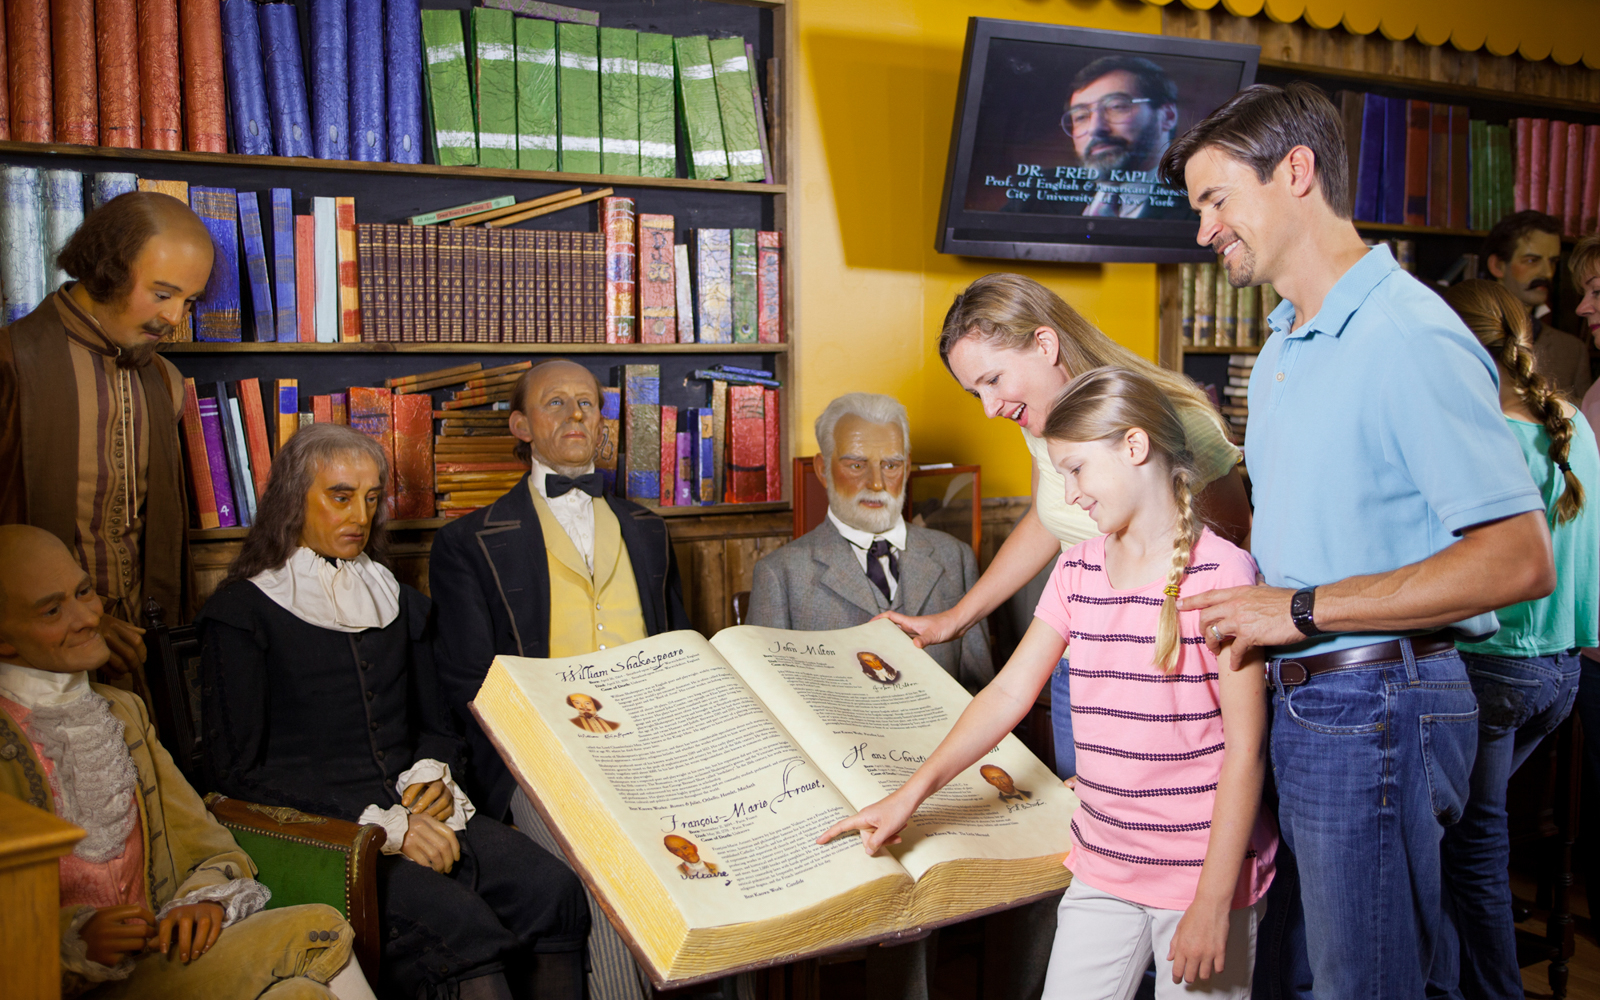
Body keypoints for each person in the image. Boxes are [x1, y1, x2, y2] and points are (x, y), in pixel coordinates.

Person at [1158, 82, 1553, 997]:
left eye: (1217, 199)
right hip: (1317, 701)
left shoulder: (1406, 334)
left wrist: (1296, 609)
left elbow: (1516, 559)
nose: (1204, 229)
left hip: (1377, 698)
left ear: (1296, 172)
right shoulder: (1292, 337)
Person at [822, 367, 1275, 1000]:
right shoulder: (1078, 568)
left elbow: (1246, 751)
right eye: (1059, 474)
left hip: (1200, 877)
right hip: (1102, 867)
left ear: (1135, 447)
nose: (1068, 493)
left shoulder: (1222, 572)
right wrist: (910, 796)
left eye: (1077, 469)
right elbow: (1006, 694)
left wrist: (1213, 900)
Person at [196, 425, 589, 1000]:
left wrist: (433, 773)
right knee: (461, 923)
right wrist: (387, 829)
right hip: (322, 837)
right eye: (340, 495)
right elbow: (236, 774)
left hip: (423, 815)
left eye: (372, 496)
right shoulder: (241, 613)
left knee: (550, 888)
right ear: (291, 499)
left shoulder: (397, 600)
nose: (361, 513)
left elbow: (437, 723)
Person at [882, 273, 1250, 782]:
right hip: (1074, 662)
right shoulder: (1041, 426)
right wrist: (957, 619)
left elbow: (1232, 537)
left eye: (992, 381)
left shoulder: (1177, 420)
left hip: (1165, 666)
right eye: (975, 394)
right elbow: (1047, 519)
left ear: (1045, 343)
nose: (989, 409)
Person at [0, 525, 374, 1000]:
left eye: (84, 592)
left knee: (302, 995)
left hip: (155, 962)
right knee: (318, 926)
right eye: (53, 610)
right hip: (49, 981)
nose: (88, 617)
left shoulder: (122, 711)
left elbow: (201, 840)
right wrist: (71, 940)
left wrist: (203, 901)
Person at [428, 359, 689, 1000]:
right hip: (547, 765)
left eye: (587, 403)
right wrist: (518, 791)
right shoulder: (468, 543)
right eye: (555, 403)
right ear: (521, 424)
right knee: (603, 869)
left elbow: (686, 651)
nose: (575, 415)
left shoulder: (650, 529)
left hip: (659, 751)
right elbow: (468, 684)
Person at [1435, 279, 1598, 1000]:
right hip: (1560, 674)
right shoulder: (1569, 420)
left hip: (1493, 672)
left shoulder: (1482, 435)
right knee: (1456, 838)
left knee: (1470, 849)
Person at [0, 192, 215, 693]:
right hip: (28, 673)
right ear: (107, 270)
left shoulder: (163, 378)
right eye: (162, 294)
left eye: (189, 300)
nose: (175, 318)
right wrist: (80, 618)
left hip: (143, 652)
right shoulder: (11, 365)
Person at [747, 393, 991, 689]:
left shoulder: (955, 557)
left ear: (908, 466)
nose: (877, 483)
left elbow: (980, 688)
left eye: (891, 465)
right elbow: (769, 699)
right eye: (857, 465)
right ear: (823, 469)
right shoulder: (780, 575)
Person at [1483, 210, 1592, 401]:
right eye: (1532, 260)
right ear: (1497, 266)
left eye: (1553, 262)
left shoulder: (1572, 351)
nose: (1547, 273)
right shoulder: (1464, 333)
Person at [1064, 55, 1189, 220]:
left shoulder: (1200, 203)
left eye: (1116, 106)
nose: (1095, 128)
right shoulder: (1036, 195)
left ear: (1168, 116)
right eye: (1080, 116)